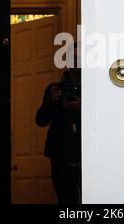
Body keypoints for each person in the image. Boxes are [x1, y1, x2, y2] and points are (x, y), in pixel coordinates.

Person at [36, 55, 81, 204]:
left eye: (80, 58)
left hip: (86, 152)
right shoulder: (55, 88)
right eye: (73, 59)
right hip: (61, 153)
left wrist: (84, 106)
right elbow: (41, 121)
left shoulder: (94, 88)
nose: (76, 63)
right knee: (65, 199)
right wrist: (50, 102)